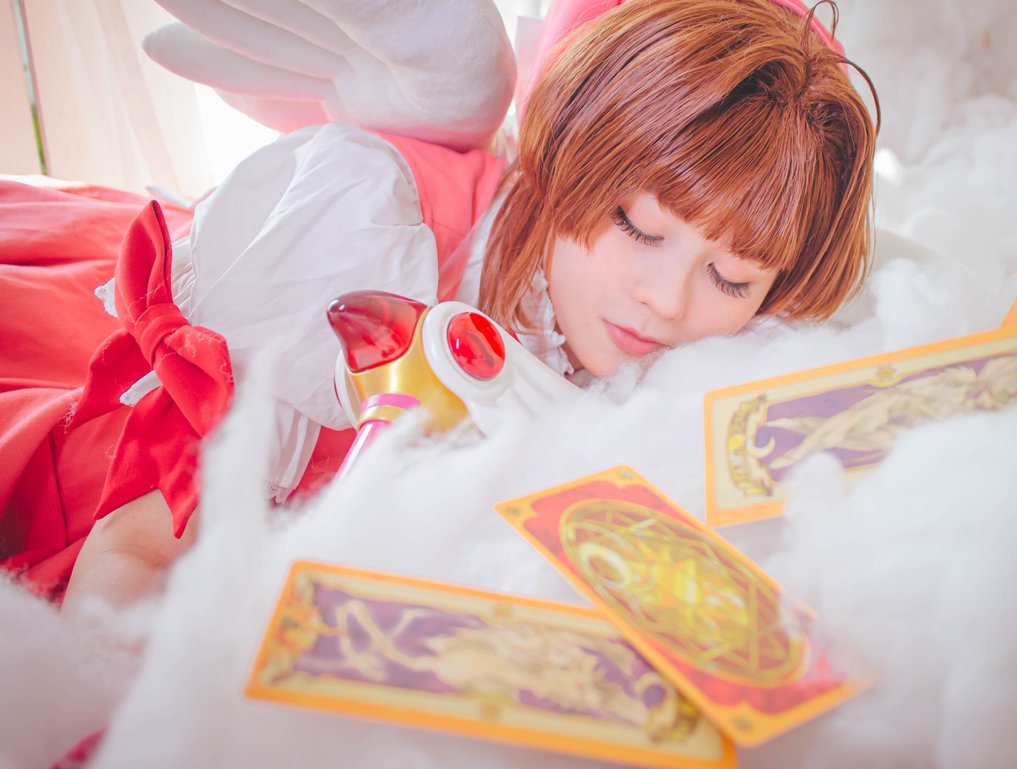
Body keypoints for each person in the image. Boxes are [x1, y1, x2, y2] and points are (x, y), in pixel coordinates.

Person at [0, 0, 877, 612]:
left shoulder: (710, 356)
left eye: (732, 278)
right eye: (637, 226)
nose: (666, 300)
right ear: (565, 157)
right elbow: (135, 552)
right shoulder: (364, 226)